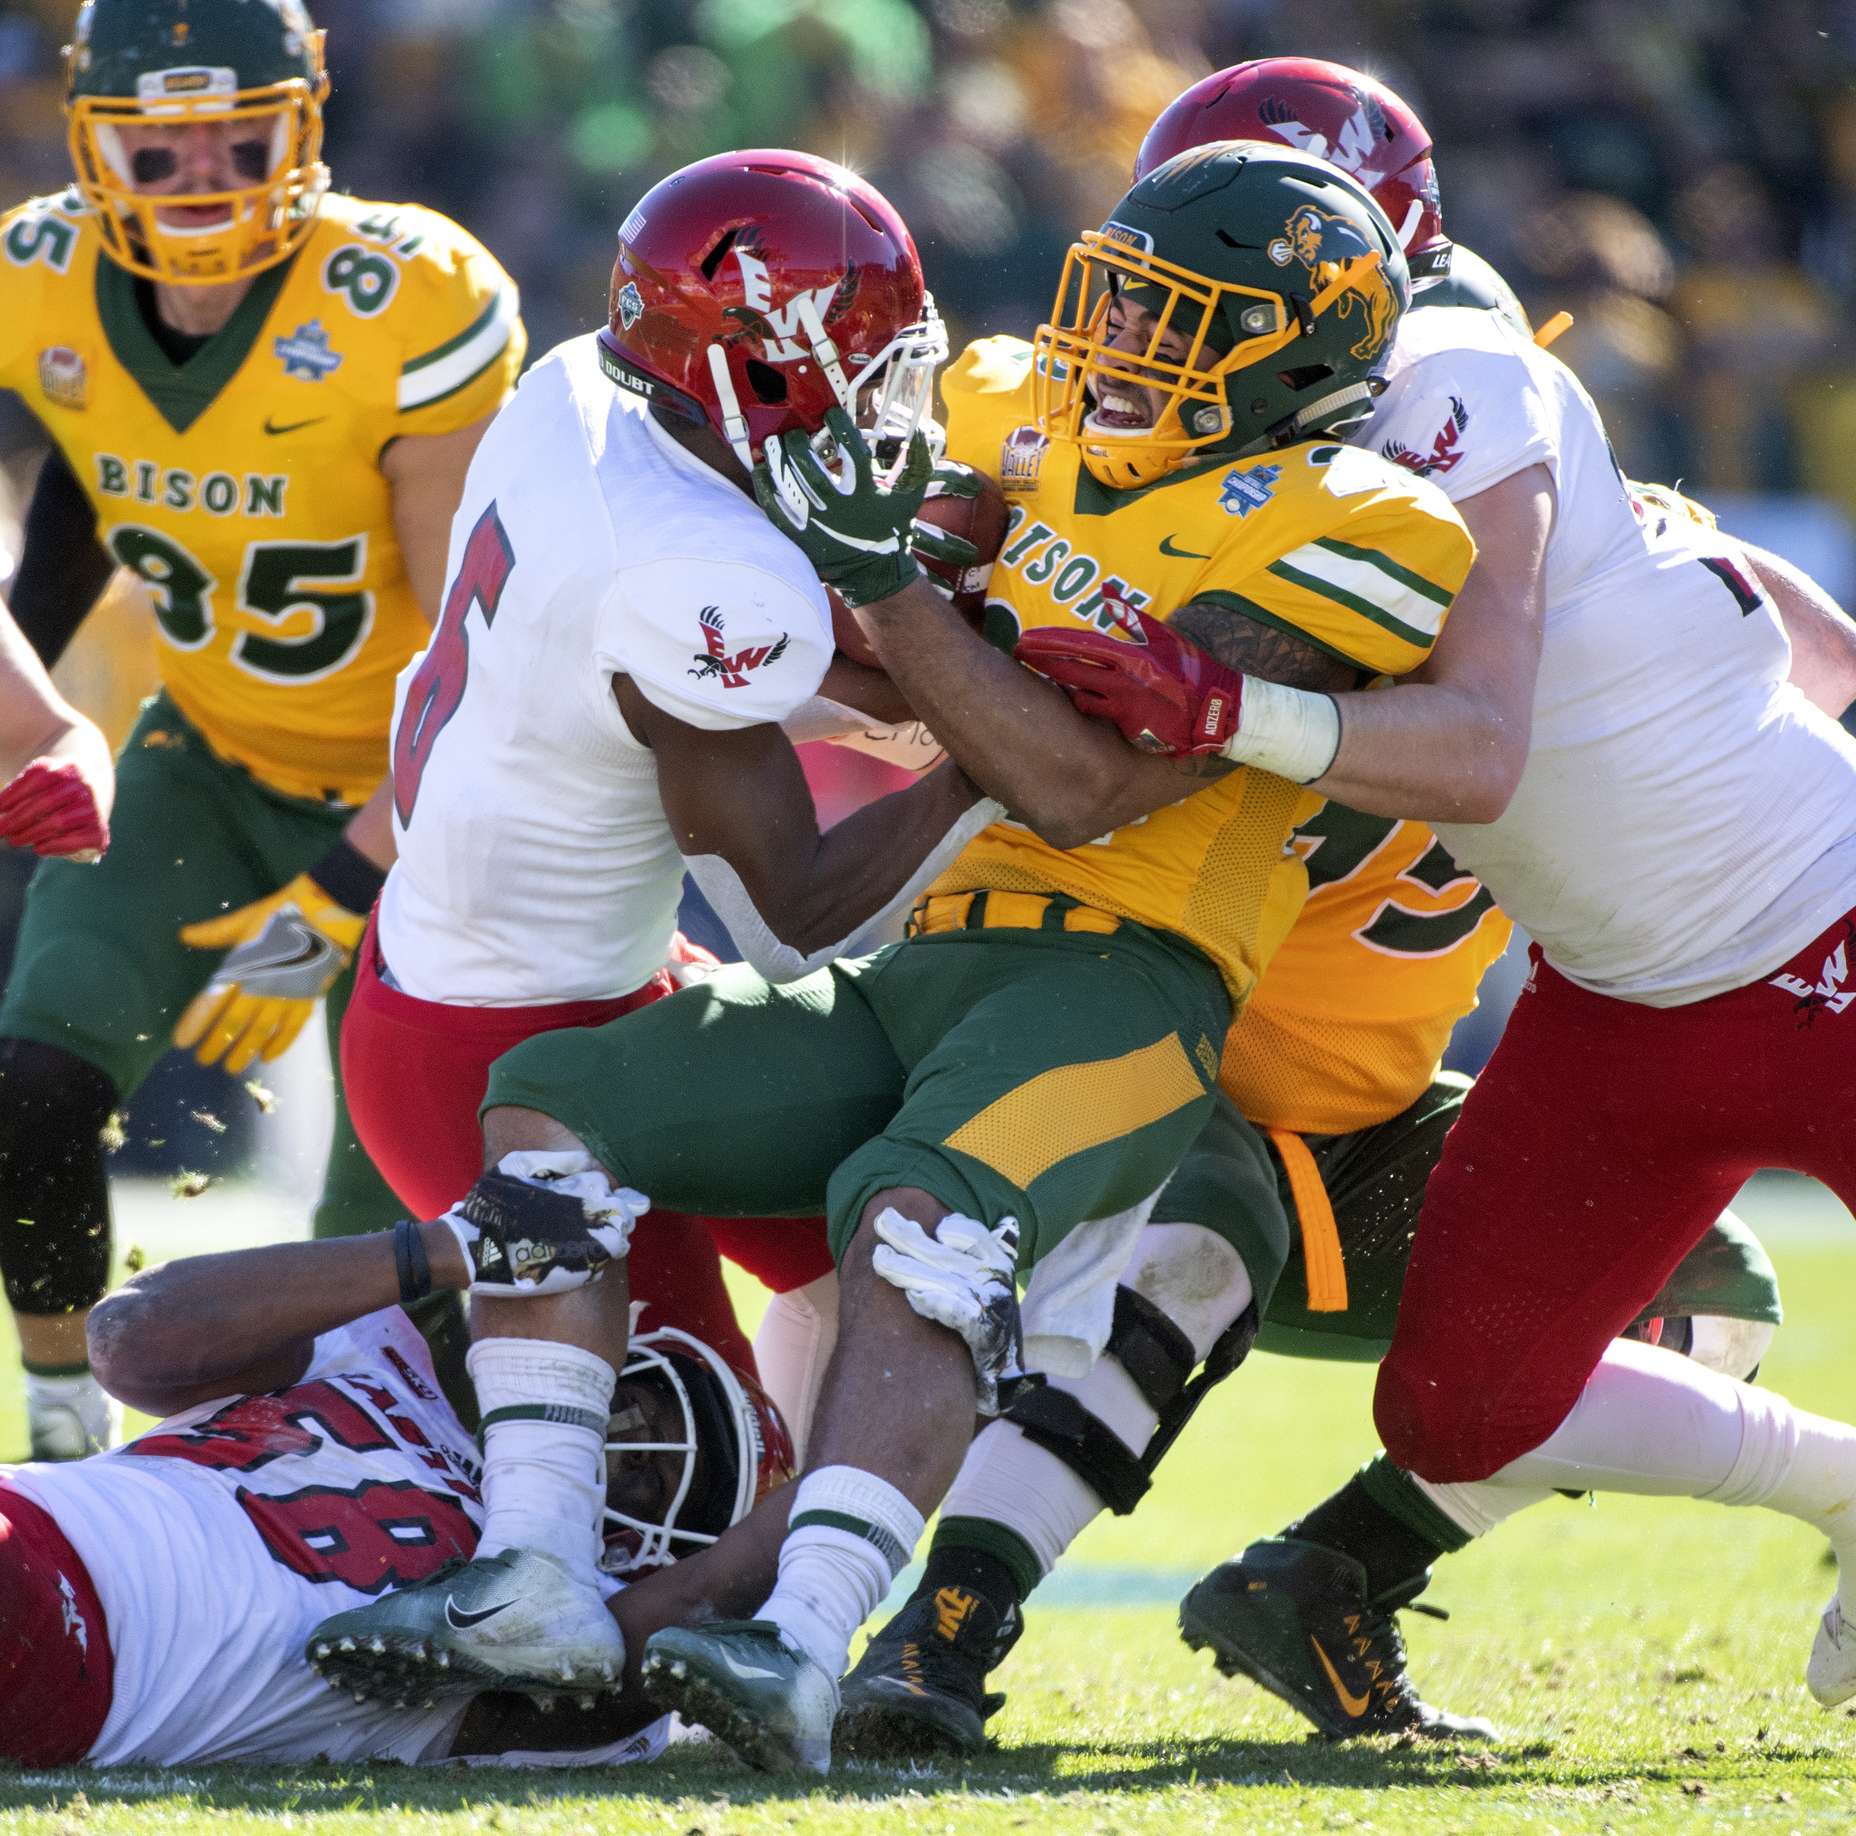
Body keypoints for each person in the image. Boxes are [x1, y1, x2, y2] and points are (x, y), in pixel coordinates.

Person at [307, 141, 1477, 1779]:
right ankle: (542, 1576)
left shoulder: (1366, 522)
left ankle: (799, 1640)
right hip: (924, 954)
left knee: (917, 1237)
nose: (1117, 341)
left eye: (1175, 317)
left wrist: (890, 590)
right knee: (555, 1096)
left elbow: (1084, 786)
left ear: (1291, 351)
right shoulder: (1024, 406)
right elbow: (884, 523)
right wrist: (922, 602)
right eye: (1119, 297)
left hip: (1122, 981)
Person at [1022, 66, 1856, 1737]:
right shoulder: (1201, 438)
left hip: (1818, 924)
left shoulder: (1452, 372)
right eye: (1148, 286)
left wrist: (1192, 686)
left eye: (1209, 281)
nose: (1146, 341)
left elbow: (1475, 739)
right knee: (1463, 1403)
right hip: (1616, 1004)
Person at [835, 801, 1783, 1753]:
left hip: (1367, 1127)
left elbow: (1804, 669)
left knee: (1709, 1291)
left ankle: (1336, 1571)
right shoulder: (1285, 650)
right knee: (1207, 1237)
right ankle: (951, 1619)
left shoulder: (1556, 682)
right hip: (1146, 1066)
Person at [336, 149, 979, 1383]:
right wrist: (997, 756)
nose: (891, 396)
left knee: (882, 1287)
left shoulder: (580, 383)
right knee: (694, 1474)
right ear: (747, 370)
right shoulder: (692, 569)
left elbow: (649, 664)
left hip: (535, 978)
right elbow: (796, 918)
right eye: (863, 361)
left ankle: (789, 1551)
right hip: (491, 1057)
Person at [0, 0, 523, 1457]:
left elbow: (480, 663)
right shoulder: (36, 274)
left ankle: (426, 1505)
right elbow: (82, 500)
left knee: (389, 1240)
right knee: (31, 1089)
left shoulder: (399, 298)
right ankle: (56, 1434)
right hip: (211, 759)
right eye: (156, 151)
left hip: (437, 806)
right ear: (89, 143)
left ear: (307, 122)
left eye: (238, 137)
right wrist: (29, 714)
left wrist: (346, 887)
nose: (203, 182)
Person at [0, 1208, 788, 1768]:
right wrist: (451, 1246)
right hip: (31, 1507)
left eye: (651, 1473)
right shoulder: (378, 1357)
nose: (616, 1438)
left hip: (92, 1654)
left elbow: (686, 1611)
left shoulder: (580, 1628)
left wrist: (849, 1490)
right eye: (634, 1402)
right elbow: (127, 1340)